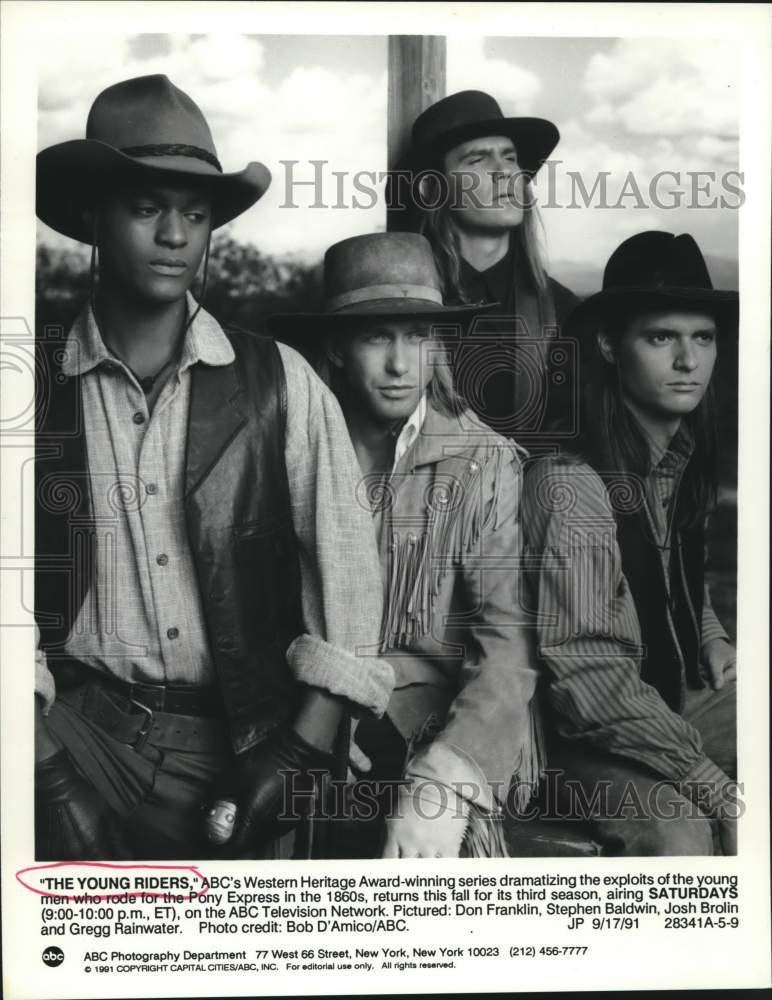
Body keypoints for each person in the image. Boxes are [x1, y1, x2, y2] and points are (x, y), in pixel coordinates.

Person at [34, 74, 391, 861]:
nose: (174, 235)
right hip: (72, 730)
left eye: (194, 214)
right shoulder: (31, 389)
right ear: (94, 215)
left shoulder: (279, 382)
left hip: (241, 740)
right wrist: (43, 771)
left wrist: (298, 751)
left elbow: (351, 583)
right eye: (146, 207)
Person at [271, 232, 543, 858]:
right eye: (376, 336)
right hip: (307, 705)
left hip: (436, 717)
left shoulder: (482, 463)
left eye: (418, 335)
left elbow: (506, 645)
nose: (401, 364)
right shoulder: (286, 448)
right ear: (336, 347)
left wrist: (445, 779)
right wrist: (324, 714)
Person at [521, 231, 738, 856]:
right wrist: (709, 783)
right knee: (680, 834)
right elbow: (590, 680)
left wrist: (708, 632)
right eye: (661, 337)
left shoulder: (671, 460)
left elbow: (666, 574)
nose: (688, 361)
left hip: (665, 698)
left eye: (703, 337)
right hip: (575, 740)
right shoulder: (572, 488)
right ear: (610, 345)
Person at [390, 90, 578, 438]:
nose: (502, 172)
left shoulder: (563, 312)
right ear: (433, 189)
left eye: (510, 157)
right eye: (477, 160)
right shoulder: (404, 306)